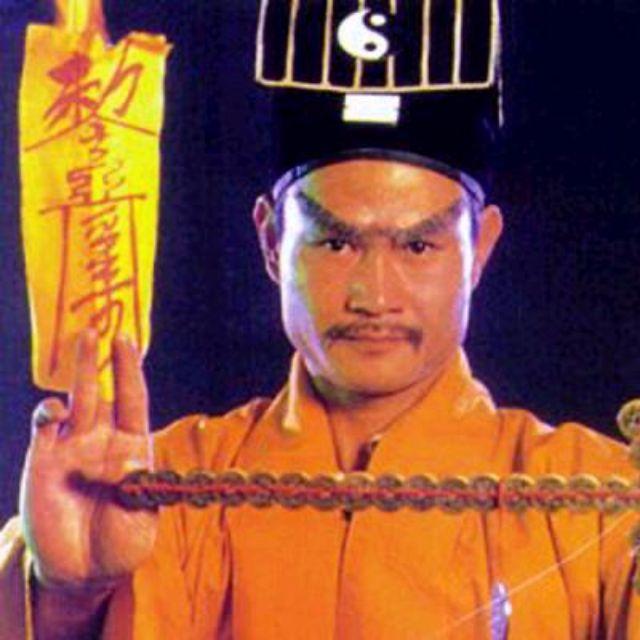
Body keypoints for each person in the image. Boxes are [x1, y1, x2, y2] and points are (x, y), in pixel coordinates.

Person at [2, 1, 639, 638]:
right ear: (272, 241)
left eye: (419, 246)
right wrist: (65, 599)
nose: (374, 294)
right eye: (336, 242)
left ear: (482, 250)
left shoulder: (598, 503)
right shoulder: (153, 491)